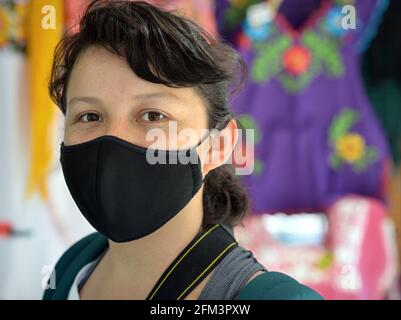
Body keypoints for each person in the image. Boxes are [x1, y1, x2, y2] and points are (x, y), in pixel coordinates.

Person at [42, 0, 323, 300]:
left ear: (218, 145)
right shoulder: (73, 266)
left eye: (153, 116)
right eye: (89, 116)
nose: (113, 139)